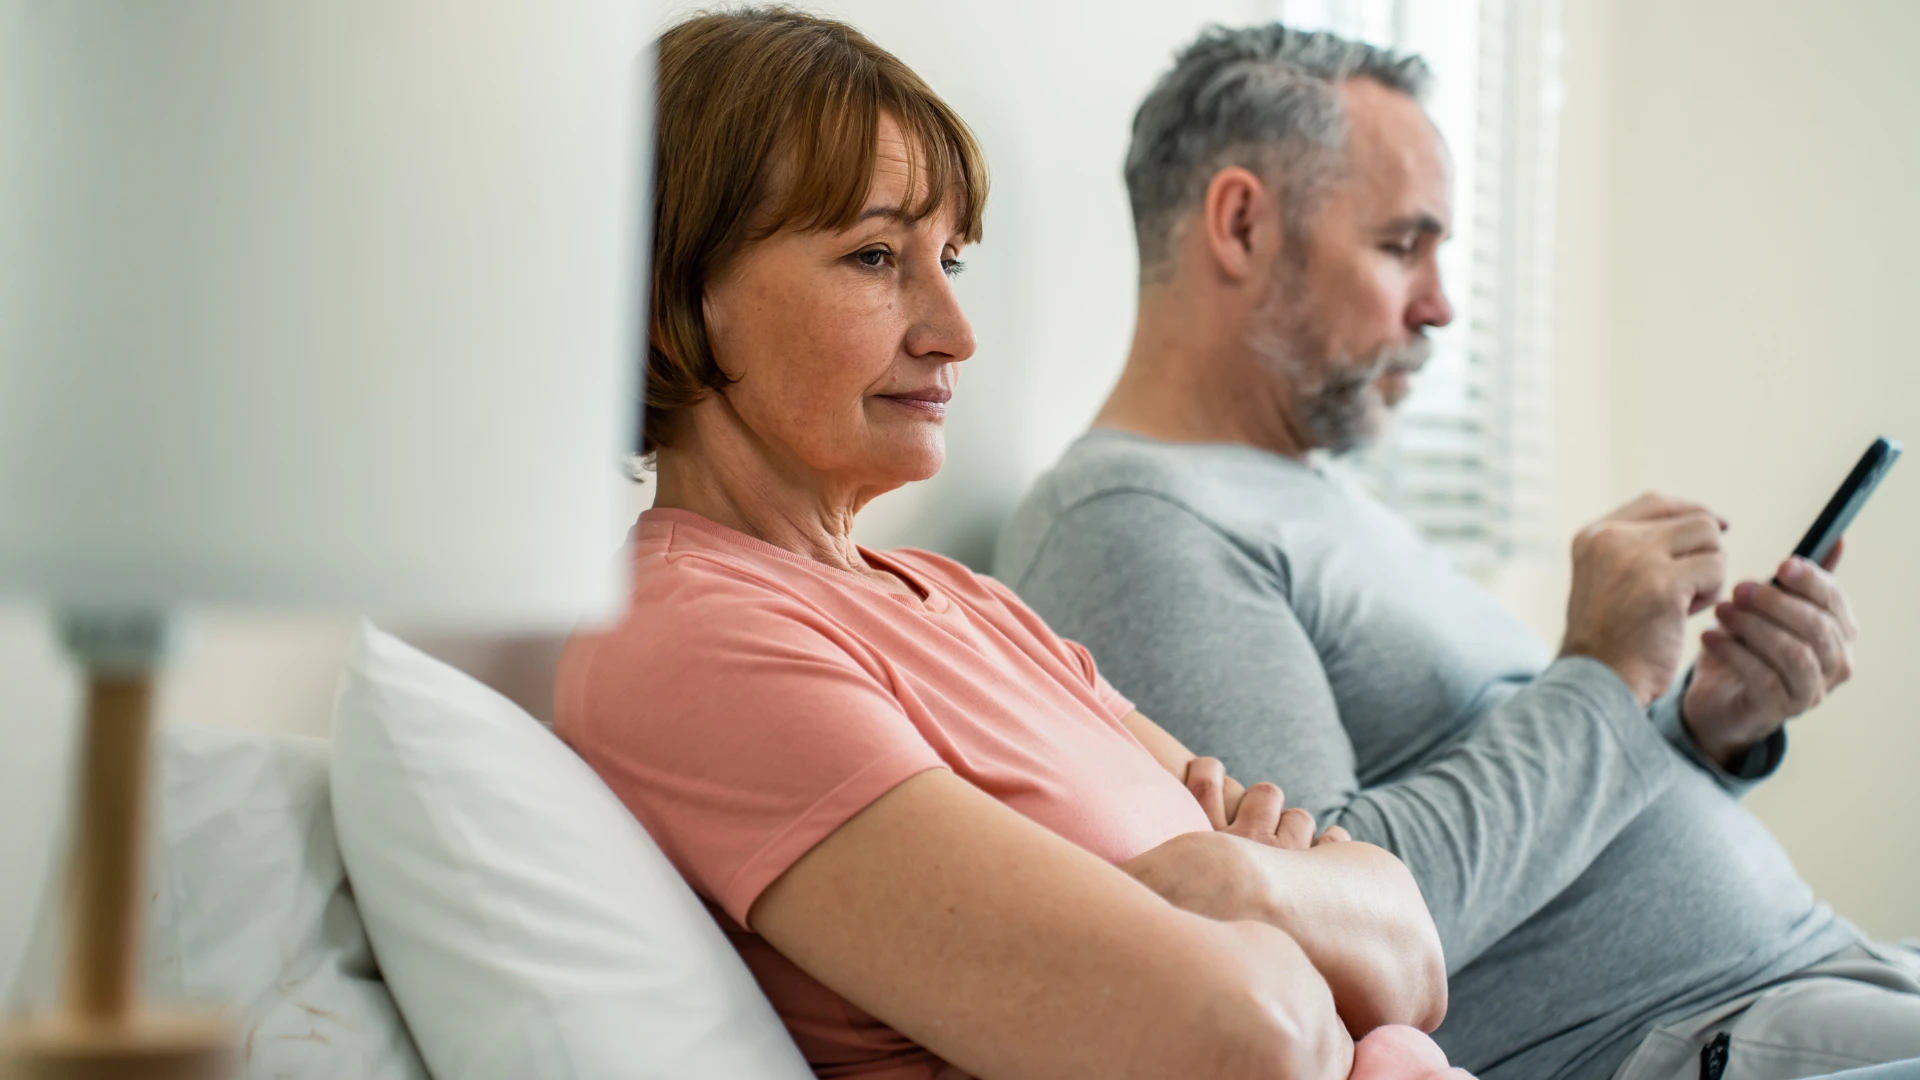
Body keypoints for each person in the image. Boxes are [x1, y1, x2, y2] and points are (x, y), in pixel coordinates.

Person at [553, 9, 1469, 1079]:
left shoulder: (969, 603)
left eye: (949, 258)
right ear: (675, 299)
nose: (954, 329)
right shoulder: (688, 637)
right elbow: (1239, 1033)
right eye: (875, 255)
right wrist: (1252, 900)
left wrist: (1229, 885)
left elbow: (1413, 957)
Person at [994, 22, 1920, 1080]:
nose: (1441, 304)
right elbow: (1331, 935)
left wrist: (1702, 723)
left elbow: (1546, 793)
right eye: (1401, 246)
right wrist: (1605, 674)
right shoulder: (1133, 523)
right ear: (1242, 224)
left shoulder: (1316, 492)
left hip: (1824, 984)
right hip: (1708, 1040)